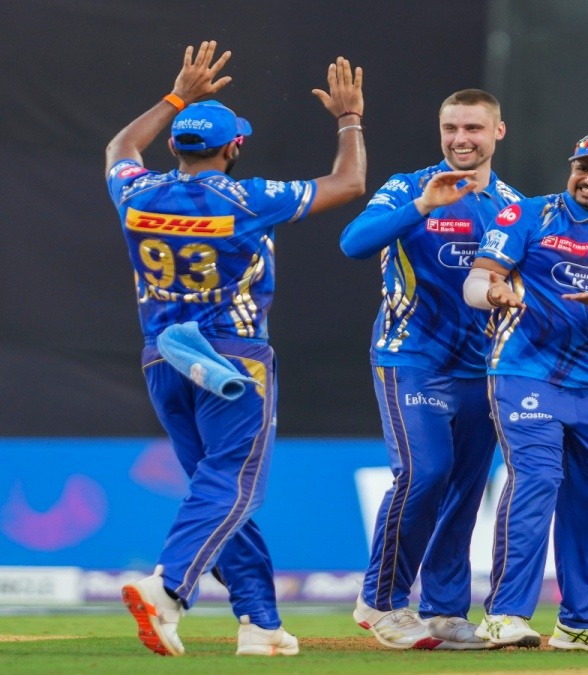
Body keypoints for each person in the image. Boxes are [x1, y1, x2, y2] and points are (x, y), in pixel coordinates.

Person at [107, 42, 366, 656]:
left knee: (218, 490)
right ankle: (168, 589)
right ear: (233, 148)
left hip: (163, 358)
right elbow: (350, 182)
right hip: (231, 356)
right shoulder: (245, 199)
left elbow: (120, 148)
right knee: (234, 485)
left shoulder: (137, 193)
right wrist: (349, 118)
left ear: (176, 145)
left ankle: (260, 624)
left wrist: (175, 98)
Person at [462, 132, 588, 652]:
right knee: (537, 480)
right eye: (582, 168)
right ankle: (504, 614)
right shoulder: (529, 214)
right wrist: (493, 292)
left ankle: (584, 623)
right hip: (526, 370)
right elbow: (475, 282)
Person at [338, 89, 522, 650]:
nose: (460, 139)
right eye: (450, 128)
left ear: (498, 132)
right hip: (411, 356)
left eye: (473, 128)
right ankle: (381, 601)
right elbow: (353, 244)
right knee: (425, 473)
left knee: (465, 489)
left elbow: (526, 282)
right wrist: (422, 206)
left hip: (481, 366)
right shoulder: (408, 187)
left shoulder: (514, 206)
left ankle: (444, 610)